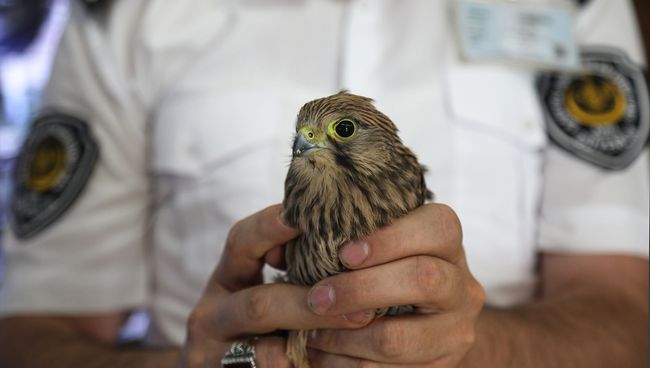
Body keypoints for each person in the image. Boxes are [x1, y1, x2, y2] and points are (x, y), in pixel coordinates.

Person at [0, 0, 648, 367]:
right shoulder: (123, 14)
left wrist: (471, 348)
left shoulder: (576, 6)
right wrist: (193, 366)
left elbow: (627, 319)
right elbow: (30, 334)